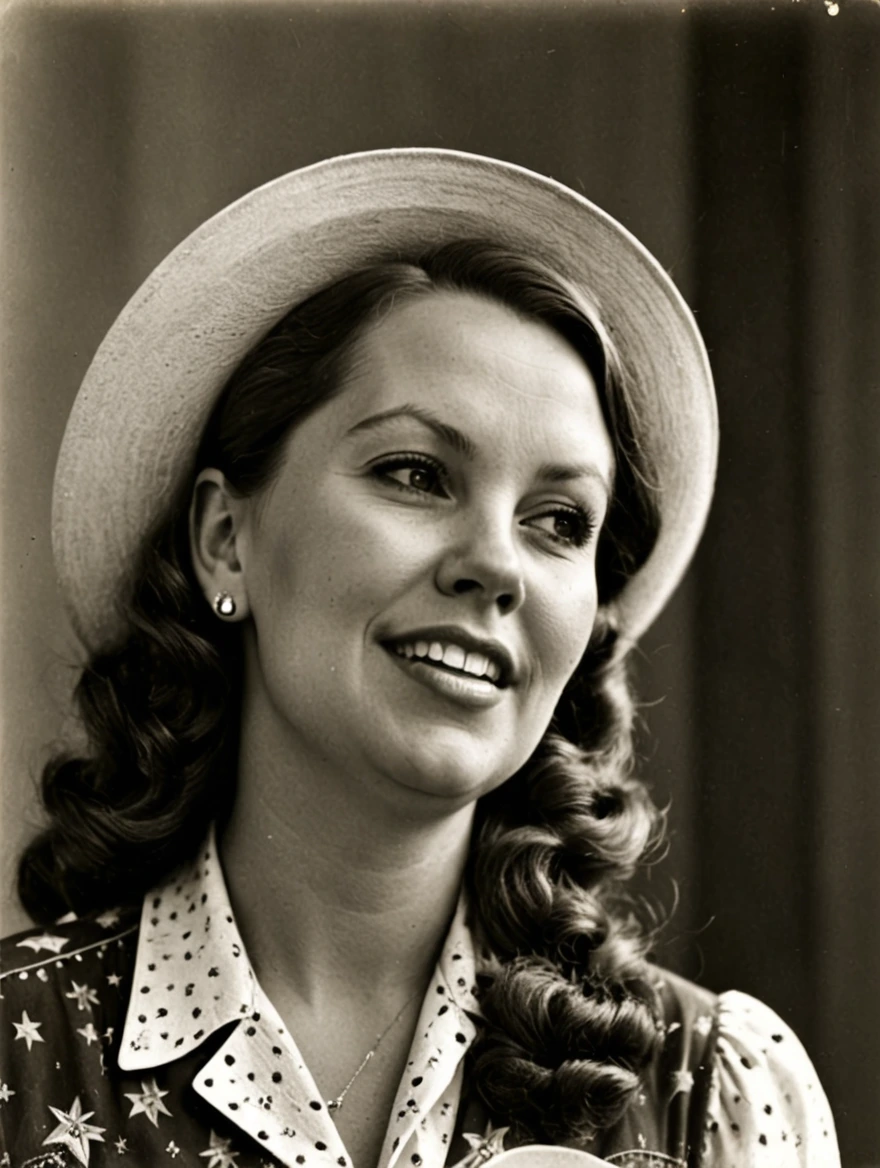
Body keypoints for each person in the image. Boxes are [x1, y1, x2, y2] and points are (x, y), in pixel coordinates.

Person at [0, 150, 839, 1168]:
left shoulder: (710, 1091)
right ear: (227, 538)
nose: (495, 566)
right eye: (416, 473)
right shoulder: (19, 1055)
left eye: (559, 520)